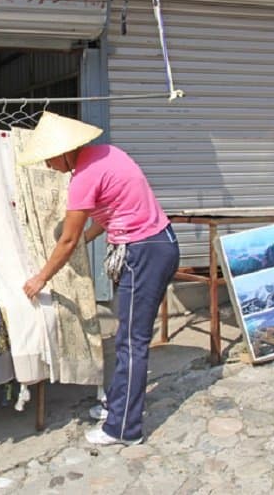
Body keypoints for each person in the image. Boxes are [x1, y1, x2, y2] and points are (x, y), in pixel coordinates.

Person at [19, 111, 179, 446]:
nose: (48, 165)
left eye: (50, 158)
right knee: (127, 337)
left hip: (143, 252)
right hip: (157, 243)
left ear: (65, 151)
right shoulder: (107, 154)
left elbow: (67, 240)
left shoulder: (84, 178)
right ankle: (118, 405)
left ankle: (124, 429)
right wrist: (86, 239)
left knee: (132, 342)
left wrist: (41, 278)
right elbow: (112, 212)